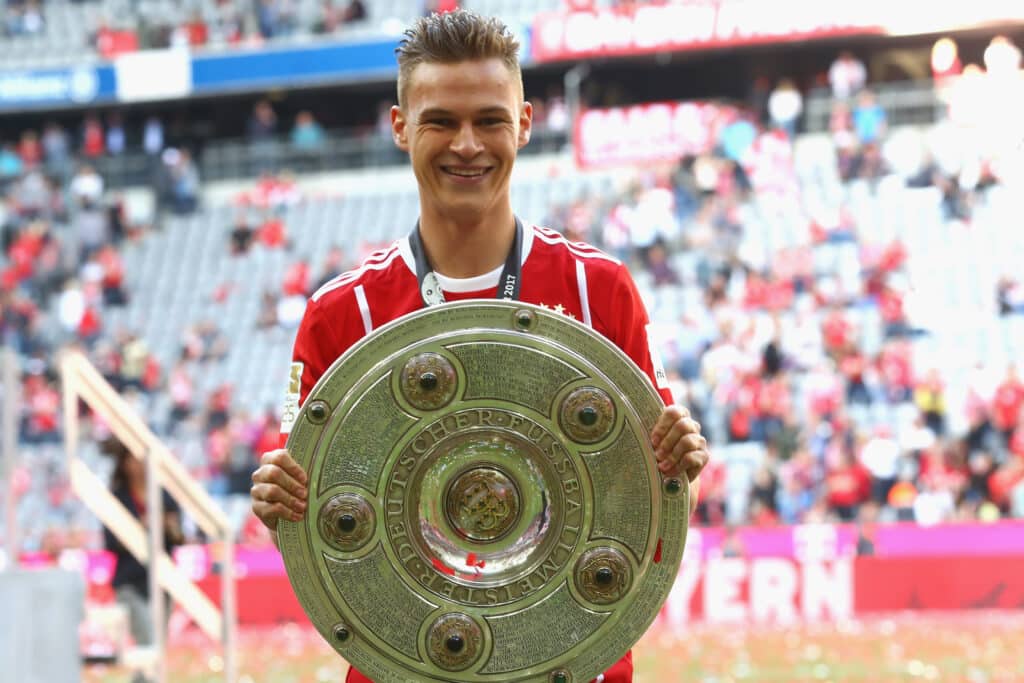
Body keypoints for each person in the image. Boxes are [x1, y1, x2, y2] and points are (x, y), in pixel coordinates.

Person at [250, 10, 711, 683]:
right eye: (440, 121)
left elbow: (662, 499)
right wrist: (278, 503)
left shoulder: (598, 288)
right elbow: (315, 526)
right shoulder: (341, 312)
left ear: (523, 124)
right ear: (401, 126)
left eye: (489, 120)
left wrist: (682, 465)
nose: (467, 145)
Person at [101, 437, 184, 683]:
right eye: (132, 458)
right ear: (124, 463)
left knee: (154, 651)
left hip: (163, 583)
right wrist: (142, 526)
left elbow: (180, 537)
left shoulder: (163, 494)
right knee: (149, 643)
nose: (138, 464)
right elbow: (110, 542)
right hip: (130, 583)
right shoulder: (117, 497)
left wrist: (168, 526)